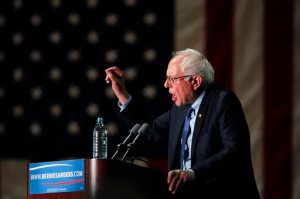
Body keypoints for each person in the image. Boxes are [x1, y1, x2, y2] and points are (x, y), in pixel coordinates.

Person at [105, 48, 260, 199]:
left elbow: (235, 151)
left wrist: (193, 173)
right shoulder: (180, 110)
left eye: (172, 79)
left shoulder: (222, 101)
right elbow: (149, 130)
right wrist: (121, 93)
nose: (166, 85)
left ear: (195, 81)